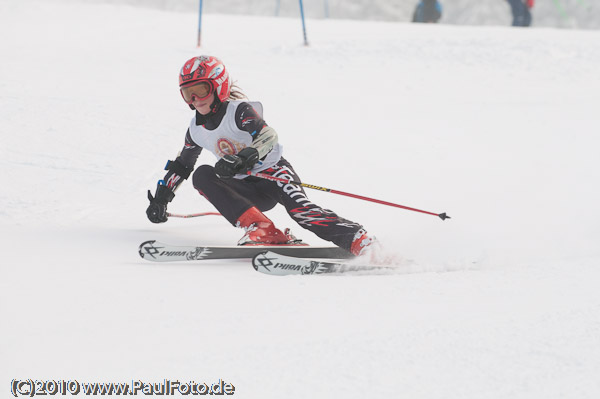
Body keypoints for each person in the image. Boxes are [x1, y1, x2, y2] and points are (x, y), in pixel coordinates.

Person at [145, 55, 375, 256]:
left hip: (274, 174)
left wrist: (243, 158)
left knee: (301, 212)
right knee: (203, 174)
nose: (195, 99)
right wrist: (161, 199)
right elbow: (183, 165)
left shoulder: (239, 111)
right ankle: (262, 228)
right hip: (244, 189)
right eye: (188, 93)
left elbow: (268, 135)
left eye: (201, 90)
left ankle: (359, 240)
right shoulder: (196, 129)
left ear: (218, 85)